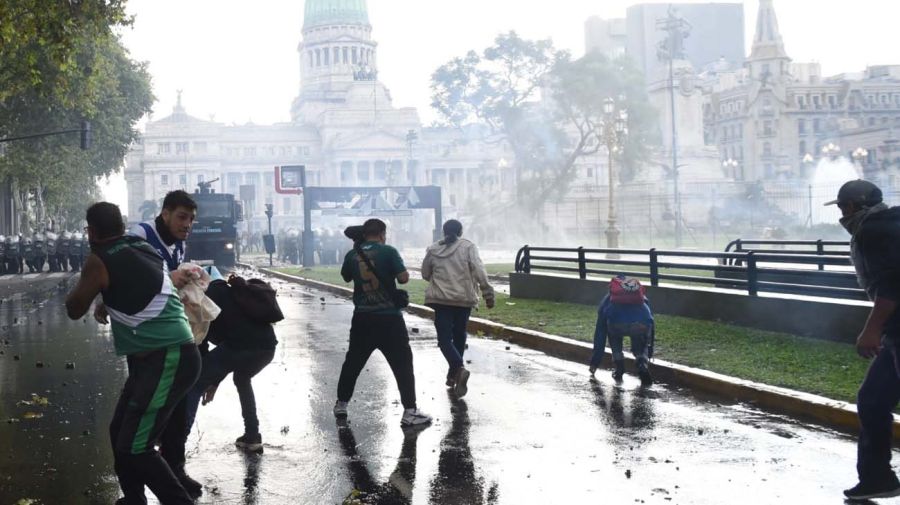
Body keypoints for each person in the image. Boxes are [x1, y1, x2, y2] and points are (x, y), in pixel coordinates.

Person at [64, 202, 199, 505]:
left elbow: (74, 309)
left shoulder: (98, 260)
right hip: (158, 359)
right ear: (122, 227)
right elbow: (139, 284)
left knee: (137, 445)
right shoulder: (142, 247)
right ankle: (133, 499)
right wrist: (106, 300)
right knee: (119, 432)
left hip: (168, 358)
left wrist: (88, 291)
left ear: (92, 231)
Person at [118, 189, 201, 498]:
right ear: (165, 213)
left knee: (175, 411)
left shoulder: (179, 243)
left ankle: (175, 469)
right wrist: (173, 274)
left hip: (170, 335)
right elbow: (126, 272)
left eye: (191, 219)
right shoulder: (140, 235)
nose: (187, 224)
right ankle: (139, 490)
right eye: (182, 217)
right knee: (137, 425)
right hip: (144, 339)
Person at [827, 180, 900, 501]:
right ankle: (877, 478)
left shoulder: (873, 231)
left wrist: (872, 329)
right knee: (872, 399)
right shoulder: (885, 225)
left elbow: (893, 283)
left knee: (873, 400)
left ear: (854, 206)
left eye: (843, 207)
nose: (842, 215)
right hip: (895, 332)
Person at [334, 218, 432, 427]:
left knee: (353, 362)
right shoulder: (388, 251)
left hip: (362, 318)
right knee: (402, 364)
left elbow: (345, 277)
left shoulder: (353, 254)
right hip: (389, 319)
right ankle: (409, 411)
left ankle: (341, 403)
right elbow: (404, 278)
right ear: (381, 233)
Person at [183, 271, 279, 452]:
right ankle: (252, 436)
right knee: (242, 379)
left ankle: (176, 442)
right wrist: (214, 380)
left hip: (240, 346)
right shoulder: (232, 291)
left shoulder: (203, 296)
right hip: (267, 348)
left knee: (196, 384)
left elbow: (200, 339)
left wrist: (209, 379)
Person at [421, 219, 495, 397]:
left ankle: (456, 371)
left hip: (441, 301)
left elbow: (425, 273)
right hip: (463, 300)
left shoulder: (433, 249)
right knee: (459, 335)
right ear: (460, 232)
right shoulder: (468, 247)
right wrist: (487, 293)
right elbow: (479, 270)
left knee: (444, 340)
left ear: (444, 232)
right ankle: (456, 371)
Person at [589, 275, 655, 385]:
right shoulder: (640, 296)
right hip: (640, 323)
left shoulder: (609, 299)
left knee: (614, 335)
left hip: (617, 325)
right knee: (640, 341)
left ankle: (619, 368)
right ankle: (642, 363)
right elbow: (650, 322)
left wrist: (594, 363)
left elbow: (600, 333)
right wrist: (649, 350)